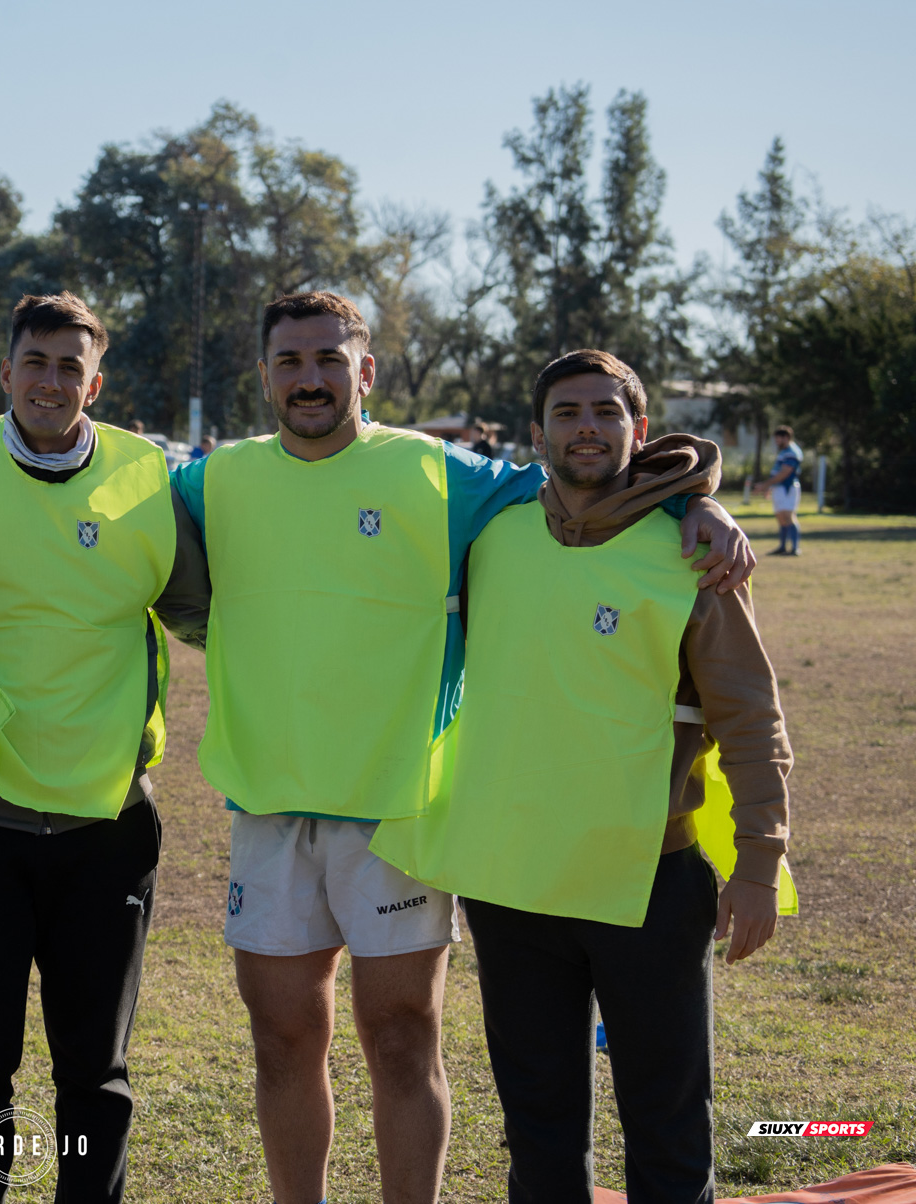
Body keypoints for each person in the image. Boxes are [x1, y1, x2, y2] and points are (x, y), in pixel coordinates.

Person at [169, 291, 754, 1204]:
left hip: (403, 809)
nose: (310, 377)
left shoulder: (445, 474)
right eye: (290, 361)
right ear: (264, 376)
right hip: (266, 806)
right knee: (281, 1044)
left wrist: (697, 498)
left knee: (402, 1039)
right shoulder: (213, 480)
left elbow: (588, 479)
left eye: (331, 359)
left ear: (366, 371)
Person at [373, 349, 791, 1204]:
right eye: (568, 413)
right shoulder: (490, 531)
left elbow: (752, 716)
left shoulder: (688, 551)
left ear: (639, 431)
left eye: (607, 412)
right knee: (539, 1126)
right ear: (537, 434)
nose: (587, 428)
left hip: (646, 881)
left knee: (668, 1126)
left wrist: (758, 862)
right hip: (511, 878)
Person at [0, 292, 209, 1202]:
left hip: (107, 826)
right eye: (37, 361)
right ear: (7, 371)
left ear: (95, 382)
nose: (52, 380)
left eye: (72, 366)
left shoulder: (146, 477)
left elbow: (203, 614)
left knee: (93, 1077)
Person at [767, 424, 803, 555]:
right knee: (781, 517)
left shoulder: (792, 452)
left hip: (787, 488)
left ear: (786, 437)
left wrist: (766, 484)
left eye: (778, 439)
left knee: (789, 516)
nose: (777, 442)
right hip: (778, 488)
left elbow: (785, 473)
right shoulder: (783, 451)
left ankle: (795, 548)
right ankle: (783, 546)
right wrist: (770, 486)